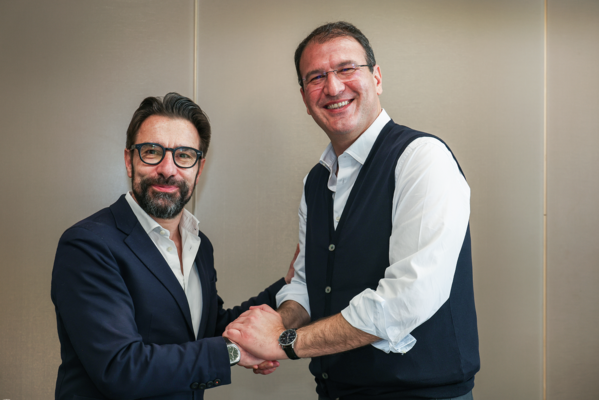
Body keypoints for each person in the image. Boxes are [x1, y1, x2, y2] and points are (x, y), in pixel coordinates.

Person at [224, 22, 480, 400]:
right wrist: (275, 325)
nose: (332, 87)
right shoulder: (316, 182)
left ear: (376, 78)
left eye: (346, 69)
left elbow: (408, 296)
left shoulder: (422, 159)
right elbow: (306, 282)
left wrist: (284, 342)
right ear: (304, 98)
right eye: (316, 77)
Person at [51, 93, 287, 400]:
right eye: (152, 152)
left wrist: (290, 284)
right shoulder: (88, 245)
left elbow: (207, 330)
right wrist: (233, 352)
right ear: (129, 161)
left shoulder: (199, 245)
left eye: (184, 155)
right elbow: (120, 368)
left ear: (199, 169)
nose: (168, 168)